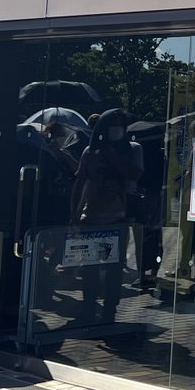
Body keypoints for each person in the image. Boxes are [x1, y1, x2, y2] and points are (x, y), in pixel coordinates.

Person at [69, 108, 139, 325]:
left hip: (115, 219)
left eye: (121, 125)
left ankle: (109, 309)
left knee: (112, 269)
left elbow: (135, 174)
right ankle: (89, 307)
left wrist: (112, 156)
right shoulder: (90, 152)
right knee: (89, 268)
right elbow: (80, 182)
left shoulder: (131, 150)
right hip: (90, 217)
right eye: (113, 124)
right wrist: (74, 212)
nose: (117, 129)